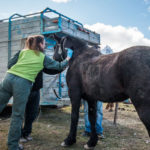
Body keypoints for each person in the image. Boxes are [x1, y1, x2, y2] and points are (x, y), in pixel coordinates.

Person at [0, 35, 73, 150]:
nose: (45, 45)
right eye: (44, 43)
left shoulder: (22, 52)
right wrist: (68, 58)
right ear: (40, 44)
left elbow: (10, 65)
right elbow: (58, 66)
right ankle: (13, 146)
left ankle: (22, 136)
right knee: (17, 115)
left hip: (7, 79)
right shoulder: (42, 57)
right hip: (22, 83)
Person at [7, 51, 63, 143]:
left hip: (35, 90)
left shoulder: (41, 57)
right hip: (22, 89)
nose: (43, 46)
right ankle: (19, 135)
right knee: (19, 114)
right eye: (42, 43)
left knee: (33, 113)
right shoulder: (23, 54)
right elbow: (10, 65)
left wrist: (61, 67)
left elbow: (49, 70)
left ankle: (26, 132)